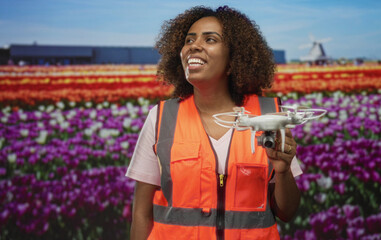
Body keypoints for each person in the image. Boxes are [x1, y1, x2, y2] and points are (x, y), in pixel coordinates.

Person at [126, 5, 302, 240]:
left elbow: (287, 212)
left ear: (233, 62)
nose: (194, 46)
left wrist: (282, 172)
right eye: (189, 40)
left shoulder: (268, 116)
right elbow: (141, 214)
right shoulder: (161, 117)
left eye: (210, 39)